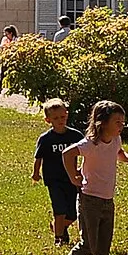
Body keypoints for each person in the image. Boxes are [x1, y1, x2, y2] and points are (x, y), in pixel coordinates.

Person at [49, 100, 128, 255]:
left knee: (103, 246)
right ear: (102, 123)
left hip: (108, 200)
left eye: (122, 122)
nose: (121, 126)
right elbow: (68, 153)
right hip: (89, 199)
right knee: (88, 244)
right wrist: (74, 176)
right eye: (117, 122)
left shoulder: (115, 140)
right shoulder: (91, 144)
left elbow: (118, 154)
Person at [31, 98, 79, 245]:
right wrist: (36, 172)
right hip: (54, 180)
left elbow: (87, 151)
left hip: (71, 178)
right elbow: (38, 157)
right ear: (48, 120)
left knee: (73, 213)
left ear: (67, 115)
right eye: (56, 118)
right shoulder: (46, 139)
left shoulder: (75, 136)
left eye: (62, 117)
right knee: (59, 209)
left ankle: (58, 226)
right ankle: (59, 238)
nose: (60, 120)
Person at [0, 25, 19, 92]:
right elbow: (2, 46)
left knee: (14, 73)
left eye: (7, 34)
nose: (6, 35)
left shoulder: (16, 40)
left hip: (13, 59)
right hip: (5, 58)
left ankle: (15, 88)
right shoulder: (4, 39)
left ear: (11, 33)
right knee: (2, 73)